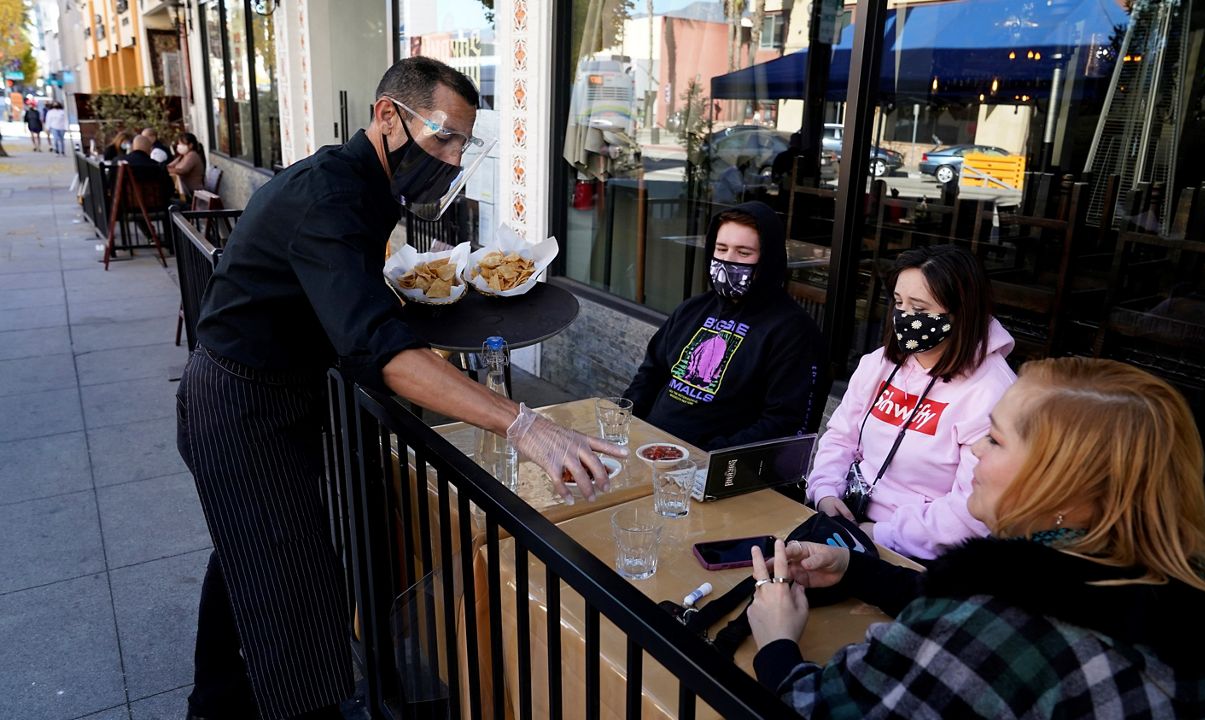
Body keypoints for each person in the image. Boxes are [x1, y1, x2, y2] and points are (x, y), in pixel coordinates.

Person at [178, 56, 623, 720]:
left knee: (246, 556)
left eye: (460, 143)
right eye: (441, 136)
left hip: (277, 393)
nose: (449, 155)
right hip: (242, 403)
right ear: (388, 116)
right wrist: (524, 425)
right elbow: (375, 346)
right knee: (294, 591)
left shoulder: (363, 186)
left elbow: (351, 306)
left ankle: (211, 703)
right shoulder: (327, 195)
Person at [747, 357, 1205, 718]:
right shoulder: (1194, 600)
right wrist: (858, 570)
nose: (975, 451)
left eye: (996, 439)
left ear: (1064, 485)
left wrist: (775, 644)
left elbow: (822, 708)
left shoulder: (998, 631)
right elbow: (1052, 596)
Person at [806, 244, 1015, 560]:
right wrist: (824, 491)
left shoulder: (992, 392)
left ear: (962, 313)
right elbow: (840, 436)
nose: (904, 317)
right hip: (845, 517)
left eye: (919, 309)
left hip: (920, 550)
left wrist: (880, 533)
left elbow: (971, 511)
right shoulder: (880, 364)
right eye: (899, 303)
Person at [623, 201, 826, 451]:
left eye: (743, 253)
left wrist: (710, 457)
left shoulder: (792, 332)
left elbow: (783, 423)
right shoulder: (693, 309)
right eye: (721, 249)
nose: (728, 260)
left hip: (711, 469)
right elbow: (651, 373)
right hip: (647, 447)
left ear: (768, 259)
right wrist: (625, 422)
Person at [167, 132, 207, 198]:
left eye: (181, 144)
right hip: (184, 190)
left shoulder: (192, 155)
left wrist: (167, 170)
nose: (178, 146)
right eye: (179, 144)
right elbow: (169, 166)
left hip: (193, 193)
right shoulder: (182, 156)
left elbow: (183, 171)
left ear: (190, 145)